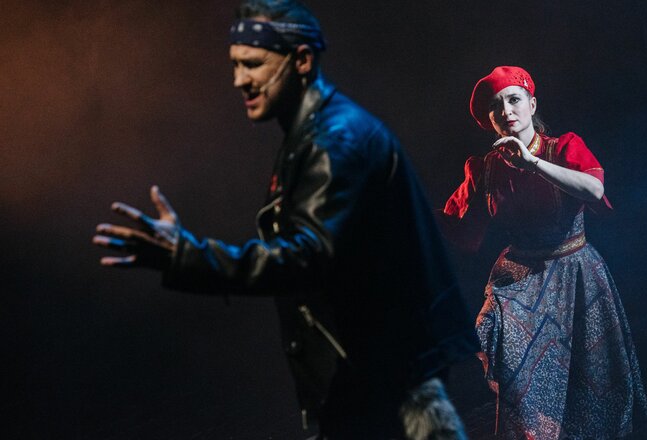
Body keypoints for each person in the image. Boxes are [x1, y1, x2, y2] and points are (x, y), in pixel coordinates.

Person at [92, 1, 478, 438]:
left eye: (253, 64)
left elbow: (307, 256)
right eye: (235, 65)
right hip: (369, 377)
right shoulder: (310, 135)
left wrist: (190, 256)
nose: (239, 80)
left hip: (385, 383)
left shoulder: (336, 139)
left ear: (302, 60)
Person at [439, 66, 647, 439]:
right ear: (489, 120)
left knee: (589, 372)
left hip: (574, 271)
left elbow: (594, 190)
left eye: (514, 99)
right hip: (520, 276)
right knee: (504, 346)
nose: (507, 110)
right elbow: (455, 225)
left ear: (532, 104)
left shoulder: (562, 147)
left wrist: (532, 163)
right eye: (496, 106)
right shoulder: (486, 169)